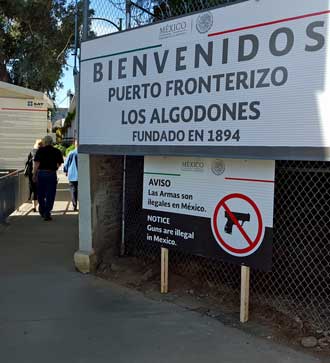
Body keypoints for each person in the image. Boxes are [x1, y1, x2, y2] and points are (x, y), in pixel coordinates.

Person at [33, 135, 64, 221]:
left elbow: (36, 164)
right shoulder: (57, 151)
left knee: (40, 193)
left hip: (41, 174)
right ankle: (47, 212)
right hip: (51, 174)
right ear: (51, 142)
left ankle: (42, 209)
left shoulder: (40, 151)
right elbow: (59, 164)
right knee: (51, 194)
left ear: (44, 142)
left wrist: (34, 174)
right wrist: (55, 168)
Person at [25, 139, 43, 212]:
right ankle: (39, 205)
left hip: (31, 173)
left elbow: (27, 163)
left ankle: (33, 206)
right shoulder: (42, 152)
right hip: (40, 173)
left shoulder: (31, 152)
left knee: (33, 190)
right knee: (39, 190)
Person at [63, 140, 78, 211]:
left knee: (73, 190)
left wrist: (65, 170)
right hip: (81, 175)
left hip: (72, 174)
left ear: (75, 145)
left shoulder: (71, 153)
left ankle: (74, 205)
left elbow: (66, 164)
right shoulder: (82, 153)